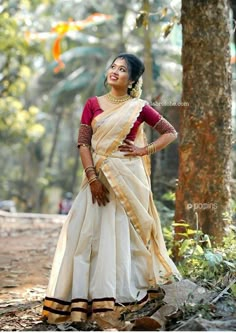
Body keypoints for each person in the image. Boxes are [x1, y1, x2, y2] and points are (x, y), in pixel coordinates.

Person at [42, 53, 181, 324]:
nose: (115, 72)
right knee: (86, 239)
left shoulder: (139, 107)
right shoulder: (92, 104)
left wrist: (144, 149)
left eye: (123, 69)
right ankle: (82, 302)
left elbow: (170, 132)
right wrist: (93, 178)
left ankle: (121, 299)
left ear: (132, 80)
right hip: (97, 176)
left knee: (122, 238)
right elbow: (84, 143)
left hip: (128, 177)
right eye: (113, 67)